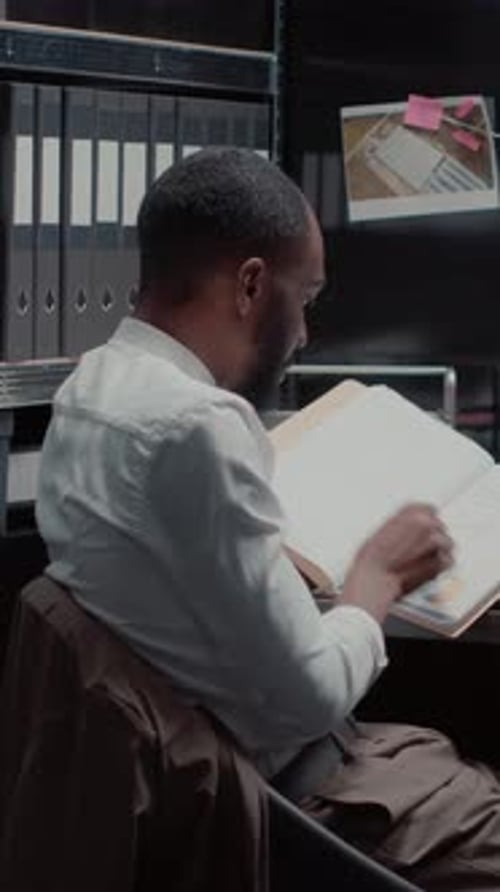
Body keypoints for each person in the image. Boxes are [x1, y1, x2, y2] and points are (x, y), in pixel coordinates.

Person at [36, 147, 500, 888]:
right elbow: (308, 696)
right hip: (298, 799)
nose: (306, 335)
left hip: (246, 770)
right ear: (252, 284)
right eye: (306, 299)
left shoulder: (91, 389)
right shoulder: (196, 427)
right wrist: (375, 579)